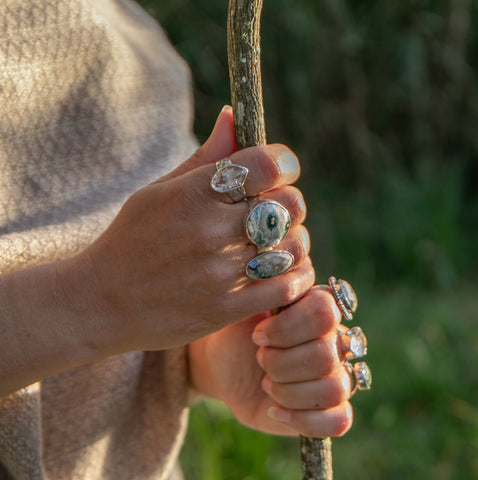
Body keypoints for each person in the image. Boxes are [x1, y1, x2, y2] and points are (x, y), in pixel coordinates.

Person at [0, 0, 359, 478]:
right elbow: (109, 294)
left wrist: (210, 352)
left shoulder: (131, 33)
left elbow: (133, 299)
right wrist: (98, 298)